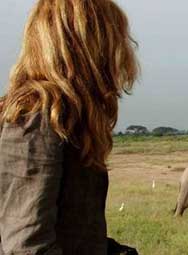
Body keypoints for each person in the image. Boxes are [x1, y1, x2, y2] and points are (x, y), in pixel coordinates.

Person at [0, 0, 139, 254]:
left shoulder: (66, 120)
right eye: (113, 38)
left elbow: (73, 232)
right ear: (88, 45)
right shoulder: (36, 119)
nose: (122, 51)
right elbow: (26, 246)